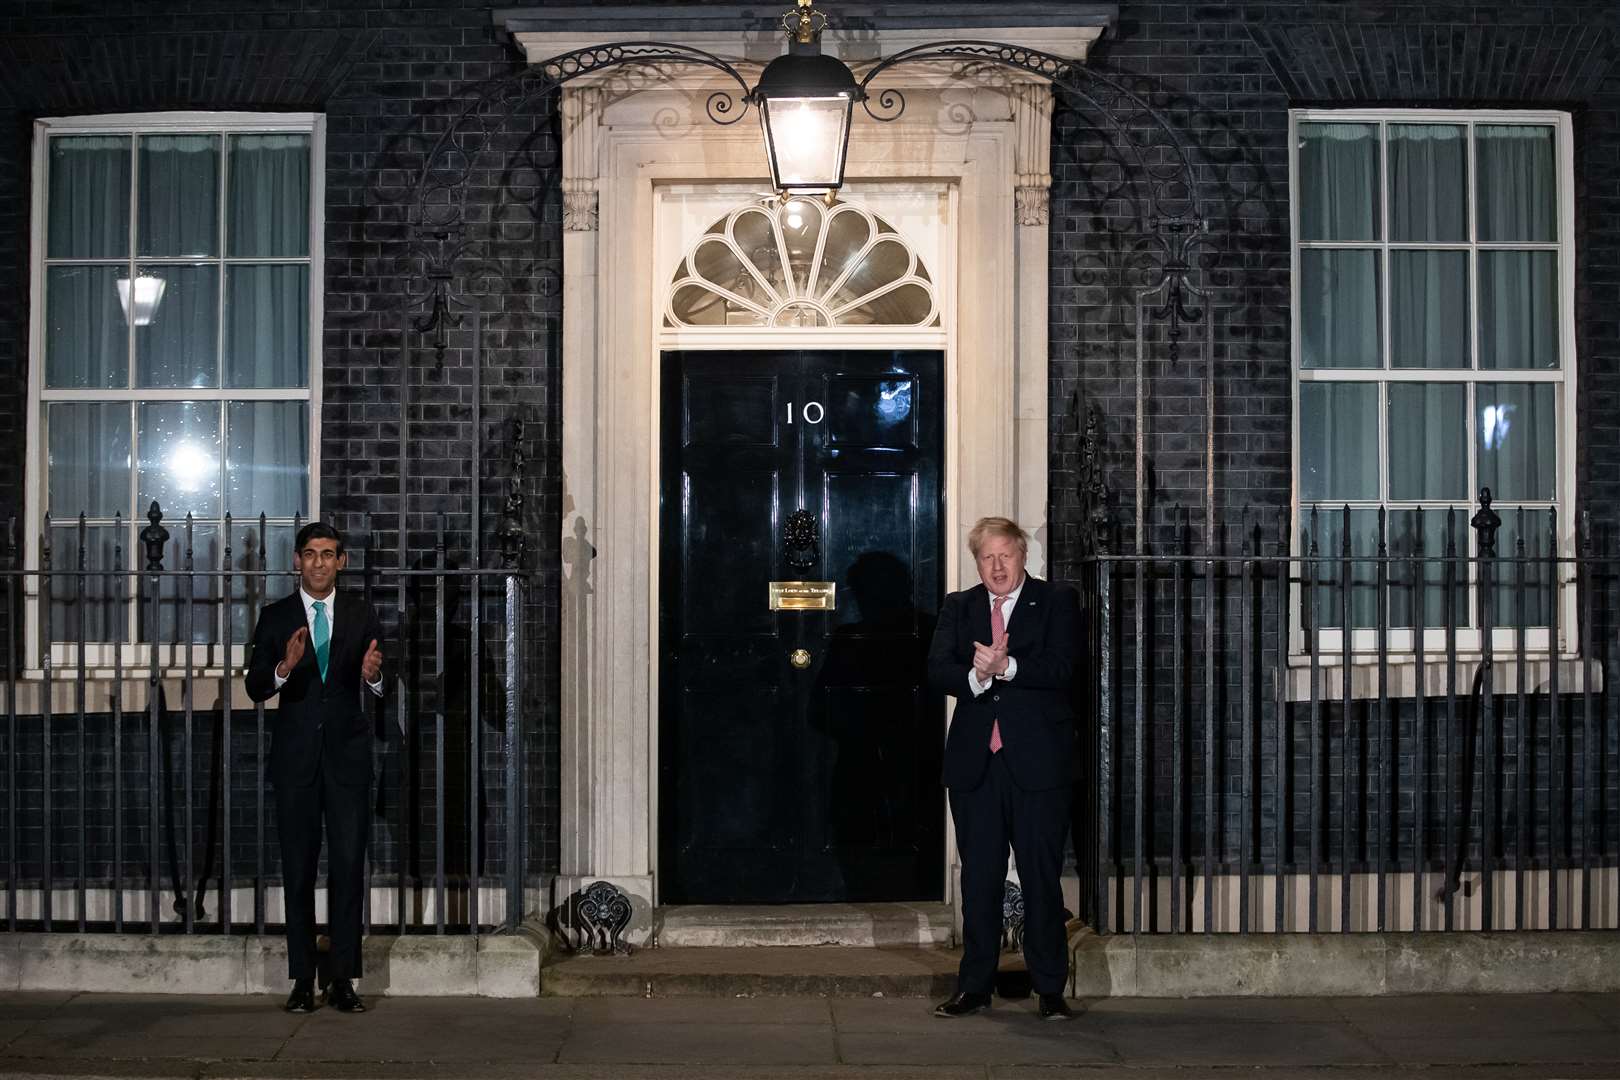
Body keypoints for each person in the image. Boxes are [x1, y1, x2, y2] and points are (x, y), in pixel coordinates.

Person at [927, 516, 1079, 1021]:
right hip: (976, 766)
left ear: (1022, 556)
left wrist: (1007, 668)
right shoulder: (960, 605)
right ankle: (974, 987)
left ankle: (1050, 988)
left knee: (1039, 878)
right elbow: (937, 669)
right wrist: (976, 674)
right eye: (986, 557)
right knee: (980, 880)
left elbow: (1064, 668)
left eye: (1005, 555)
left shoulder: (1056, 601)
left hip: (1037, 764)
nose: (996, 566)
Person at [246, 522, 385, 1014]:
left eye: (328, 554)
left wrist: (375, 677)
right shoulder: (275, 616)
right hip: (296, 763)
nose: (319, 563)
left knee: (348, 869)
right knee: (299, 871)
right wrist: (284, 667)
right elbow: (255, 686)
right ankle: (303, 979)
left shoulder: (360, 612)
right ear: (298, 561)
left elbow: (379, 673)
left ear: (341, 561)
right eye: (310, 554)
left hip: (347, 761)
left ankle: (343, 979)